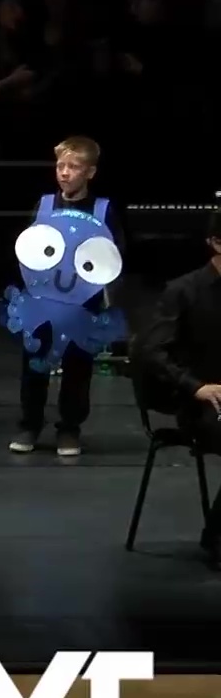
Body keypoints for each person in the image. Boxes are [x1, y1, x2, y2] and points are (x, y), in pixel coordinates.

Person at [9, 136, 125, 457]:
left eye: (73, 167)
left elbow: (114, 256)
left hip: (82, 307)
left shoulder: (104, 210)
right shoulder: (45, 205)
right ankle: (30, 423)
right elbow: (27, 249)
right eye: (61, 165)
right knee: (34, 364)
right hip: (42, 303)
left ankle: (70, 427)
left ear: (90, 172)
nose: (64, 173)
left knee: (77, 367)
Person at [136, 208, 221, 568]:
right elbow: (152, 352)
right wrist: (196, 387)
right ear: (216, 243)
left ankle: (215, 530)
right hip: (196, 402)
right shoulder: (184, 291)